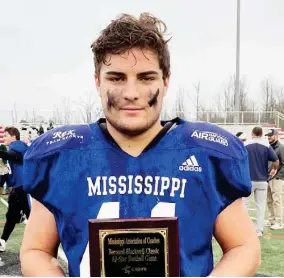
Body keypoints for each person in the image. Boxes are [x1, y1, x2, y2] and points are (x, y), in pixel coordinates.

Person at [20, 13, 260, 277]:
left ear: (165, 81)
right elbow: (36, 250)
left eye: (146, 78)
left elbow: (243, 246)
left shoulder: (204, 152)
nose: (131, 93)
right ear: (97, 81)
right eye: (116, 78)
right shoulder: (64, 155)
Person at [244, 127, 279, 236]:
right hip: (262, 180)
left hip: (248, 180)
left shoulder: (245, 145)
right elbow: (276, 161)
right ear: (262, 134)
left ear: (252, 133)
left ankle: (243, 230)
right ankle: (259, 230)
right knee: (260, 206)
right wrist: (273, 170)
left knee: (245, 206)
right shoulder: (266, 145)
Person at [0, 127, 30, 252]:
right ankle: (2, 241)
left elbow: (15, 157)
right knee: (11, 216)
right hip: (17, 187)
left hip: (24, 187)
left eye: (6, 135)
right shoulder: (13, 146)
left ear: (14, 136)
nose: (3, 137)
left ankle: (42, 246)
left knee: (32, 216)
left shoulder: (18, 145)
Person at [266, 129, 284, 229]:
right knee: (269, 200)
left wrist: (278, 176)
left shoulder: (281, 147)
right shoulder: (269, 147)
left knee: (276, 199)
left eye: (270, 136)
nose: (269, 137)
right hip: (268, 177)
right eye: (268, 136)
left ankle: (279, 221)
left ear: (276, 135)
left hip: (276, 178)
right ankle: (271, 220)